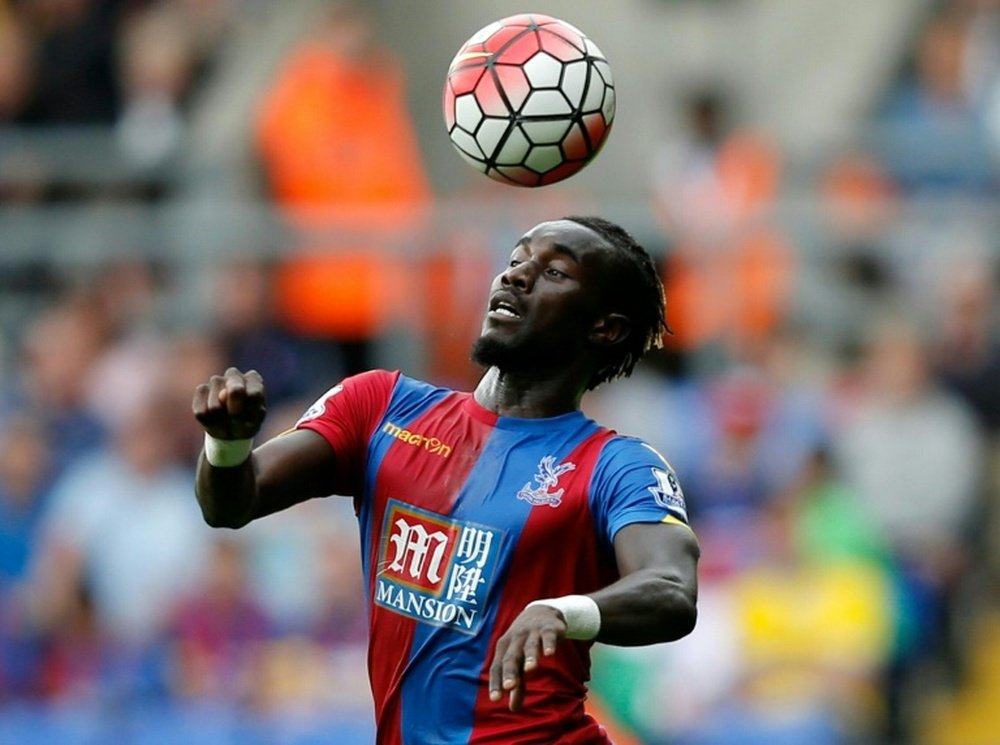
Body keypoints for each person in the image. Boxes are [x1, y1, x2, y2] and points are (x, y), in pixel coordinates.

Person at [192, 216, 701, 744]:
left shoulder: (617, 466)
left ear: (606, 327)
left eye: (553, 272)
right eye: (515, 260)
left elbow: (671, 591)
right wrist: (227, 444)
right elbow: (232, 502)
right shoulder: (381, 406)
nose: (516, 276)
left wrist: (565, 612)